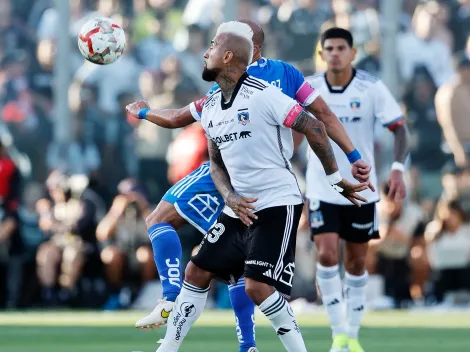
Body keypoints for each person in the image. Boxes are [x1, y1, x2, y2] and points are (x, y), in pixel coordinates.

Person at [126, 20, 371, 352]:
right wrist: (229, 195)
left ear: (228, 56)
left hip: (277, 202)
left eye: (212, 47)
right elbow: (215, 162)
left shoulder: (264, 94)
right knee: (196, 271)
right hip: (237, 205)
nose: (205, 53)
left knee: (257, 287)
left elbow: (314, 125)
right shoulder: (210, 105)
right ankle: (167, 348)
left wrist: (334, 178)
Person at [305, 28, 410, 352]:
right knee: (325, 252)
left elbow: (399, 128)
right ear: (322, 54)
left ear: (352, 53)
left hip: (361, 189)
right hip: (322, 186)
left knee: (356, 262)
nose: (335, 53)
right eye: (330, 48)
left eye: (341, 48)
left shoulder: (371, 87)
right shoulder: (309, 88)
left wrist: (396, 170)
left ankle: (352, 334)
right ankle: (338, 334)